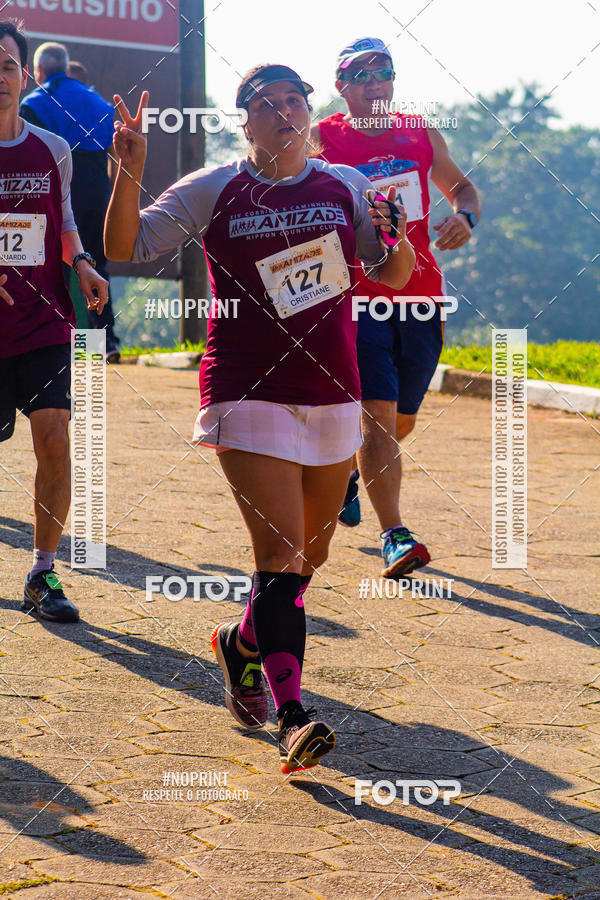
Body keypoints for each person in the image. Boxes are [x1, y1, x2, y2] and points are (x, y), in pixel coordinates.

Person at [104, 64, 414, 773]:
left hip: (335, 393)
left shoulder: (348, 186)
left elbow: (392, 275)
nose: (282, 112)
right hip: (245, 391)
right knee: (277, 556)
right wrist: (130, 171)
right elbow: (126, 246)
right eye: (264, 104)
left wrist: (395, 241)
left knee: (309, 561)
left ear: (310, 112)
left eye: (294, 101)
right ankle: (295, 716)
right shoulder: (215, 188)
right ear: (242, 121)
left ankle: (239, 643)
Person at [313, 37, 481, 578]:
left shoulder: (422, 132)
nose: (373, 82)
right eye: (359, 74)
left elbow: (463, 189)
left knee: (401, 419)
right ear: (341, 87)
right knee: (379, 419)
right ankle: (395, 535)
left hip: (423, 296)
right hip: (358, 297)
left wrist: (465, 217)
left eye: (382, 71)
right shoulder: (322, 138)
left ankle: (346, 476)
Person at [0, 21, 109, 622]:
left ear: (24, 75)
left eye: (7, 64)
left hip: (43, 323)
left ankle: (43, 574)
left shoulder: (52, 149)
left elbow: (64, 223)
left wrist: (85, 264)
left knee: (56, 440)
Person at [19, 41, 120, 361]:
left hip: (58, 194)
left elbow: (29, 156)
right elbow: (116, 155)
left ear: (37, 71)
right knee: (96, 266)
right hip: (98, 192)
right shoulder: (101, 104)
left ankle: (55, 342)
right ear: (65, 67)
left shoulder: (34, 102)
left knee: (52, 270)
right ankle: (105, 342)